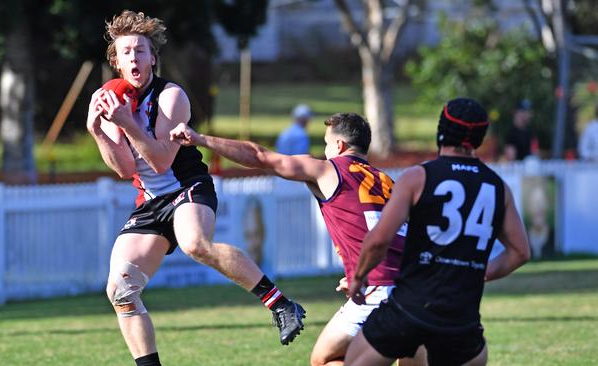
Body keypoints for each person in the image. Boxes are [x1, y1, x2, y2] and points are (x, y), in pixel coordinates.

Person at [87, 10, 305, 366]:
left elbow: (159, 161)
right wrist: (99, 131)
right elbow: (126, 168)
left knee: (194, 244)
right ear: (117, 63)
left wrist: (127, 123)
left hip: (187, 186)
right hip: (151, 200)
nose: (133, 57)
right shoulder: (109, 100)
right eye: (125, 52)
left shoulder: (172, 97)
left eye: (140, 50)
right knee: (120, 289)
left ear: (153, 58)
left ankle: (281, 304)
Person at [170, 113, 425, 366]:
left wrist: (201, 139)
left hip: (378, 287)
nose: (324, 151)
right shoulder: (386, 182)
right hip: (415, 287)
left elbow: (261, 157)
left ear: (339, 145)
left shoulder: (329, 170)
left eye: (326, 143)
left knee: (324, 359)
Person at [343, 98, 531, 366]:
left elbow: (378, 240)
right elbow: (520, 252)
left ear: (441, 130)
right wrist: (478, 272)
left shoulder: (418, 177)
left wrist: (359, 276)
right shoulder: (498, 188)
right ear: (479, 136)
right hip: (461, 320)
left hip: (409, 309)